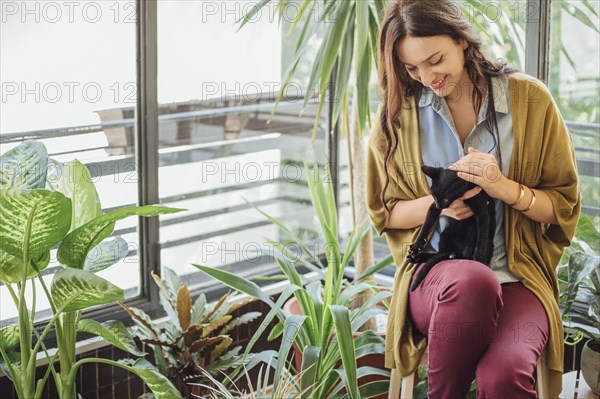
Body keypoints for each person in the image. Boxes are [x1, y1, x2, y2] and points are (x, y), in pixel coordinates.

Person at [365, 1, 581, 398]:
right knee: (472, 280)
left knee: (504, 377)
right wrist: (438, 204)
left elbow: (562, 207)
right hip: (436, 279)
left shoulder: (531, 101)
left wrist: (504, 188)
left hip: (518, 278)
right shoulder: (398, 116)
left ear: (462, 40)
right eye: (412, 68)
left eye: (435, 60)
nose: (428, 77)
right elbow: (383, 212)